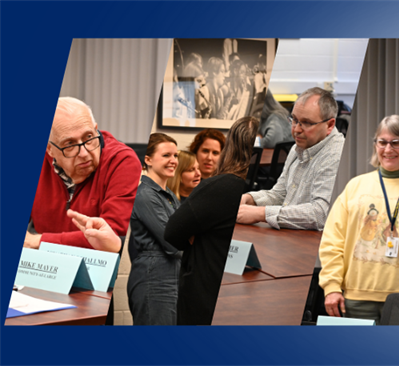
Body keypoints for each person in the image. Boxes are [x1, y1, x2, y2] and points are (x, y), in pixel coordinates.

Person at [318, 115, 399, 324]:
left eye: (396, 142)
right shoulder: (355, 187)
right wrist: (331, 286)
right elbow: (332, 242)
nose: (388, 149)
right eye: (382, 142)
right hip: (355, 296)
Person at [164, 116, 259, 325]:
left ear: (229, 148)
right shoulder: (252, 186)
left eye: (216, 152)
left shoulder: (219, 186)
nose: (209, 158)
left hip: (204, 290)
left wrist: (193, 237)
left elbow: (172, 231)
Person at [26, 97, 141, 252]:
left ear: (96, 129)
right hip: (42, 263)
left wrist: (39, 241)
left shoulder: (122, 161)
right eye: (70, 144)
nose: (84, 153)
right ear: (49, 149)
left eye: (89, 137)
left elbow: (110, 238)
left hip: (95, 264)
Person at [237, 87, 345, 230]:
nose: (296, 129)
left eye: (306, 123)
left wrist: (261, 213)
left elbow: (320, 213)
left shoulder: (336, 155)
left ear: (330, 125)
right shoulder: (297, 148)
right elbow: (280, 194)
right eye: (294, 120)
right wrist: (250, 199)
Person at [127, 133, 182, 325]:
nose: (173, 161)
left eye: (175, 156)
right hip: (155, 279)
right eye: (166, 155)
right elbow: (174, 243)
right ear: (148, 160)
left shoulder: (169, 196)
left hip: (171, 276)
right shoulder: (145, 195)